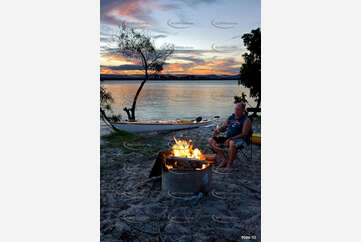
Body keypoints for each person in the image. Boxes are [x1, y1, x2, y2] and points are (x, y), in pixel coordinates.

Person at [208, 102, 251, 170]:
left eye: (238, 109)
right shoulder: (231, 117)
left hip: (240, 139)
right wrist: (218, 130)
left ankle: (230, 163)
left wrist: (231, 139)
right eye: (235, 109)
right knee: (211, 140)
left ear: (243, 110)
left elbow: (244, 134)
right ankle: (224, 159)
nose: (236, 111)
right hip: (228, 138)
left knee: (231, 143)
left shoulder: (246, 120)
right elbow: (224, 128)